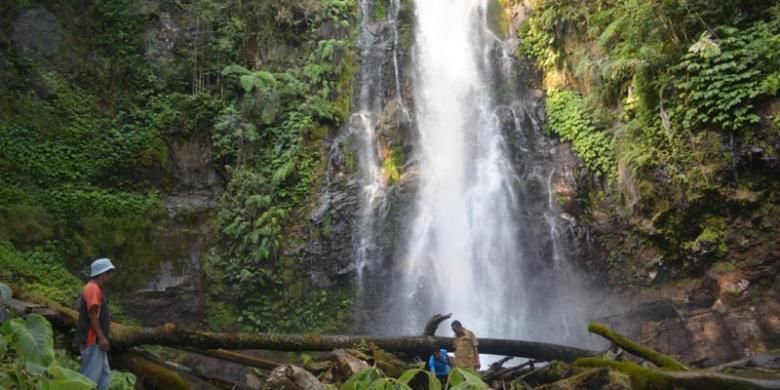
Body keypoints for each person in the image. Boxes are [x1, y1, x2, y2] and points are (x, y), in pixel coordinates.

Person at [74, 258, 116, 390]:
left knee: (104, 378)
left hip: (97, 343)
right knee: (88, 379)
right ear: (102, 273)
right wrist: (101, 337)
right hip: (92, 341)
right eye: (109, 272)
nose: (111, 276)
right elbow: (92, 314)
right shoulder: (92, 288)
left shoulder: (96, 288)